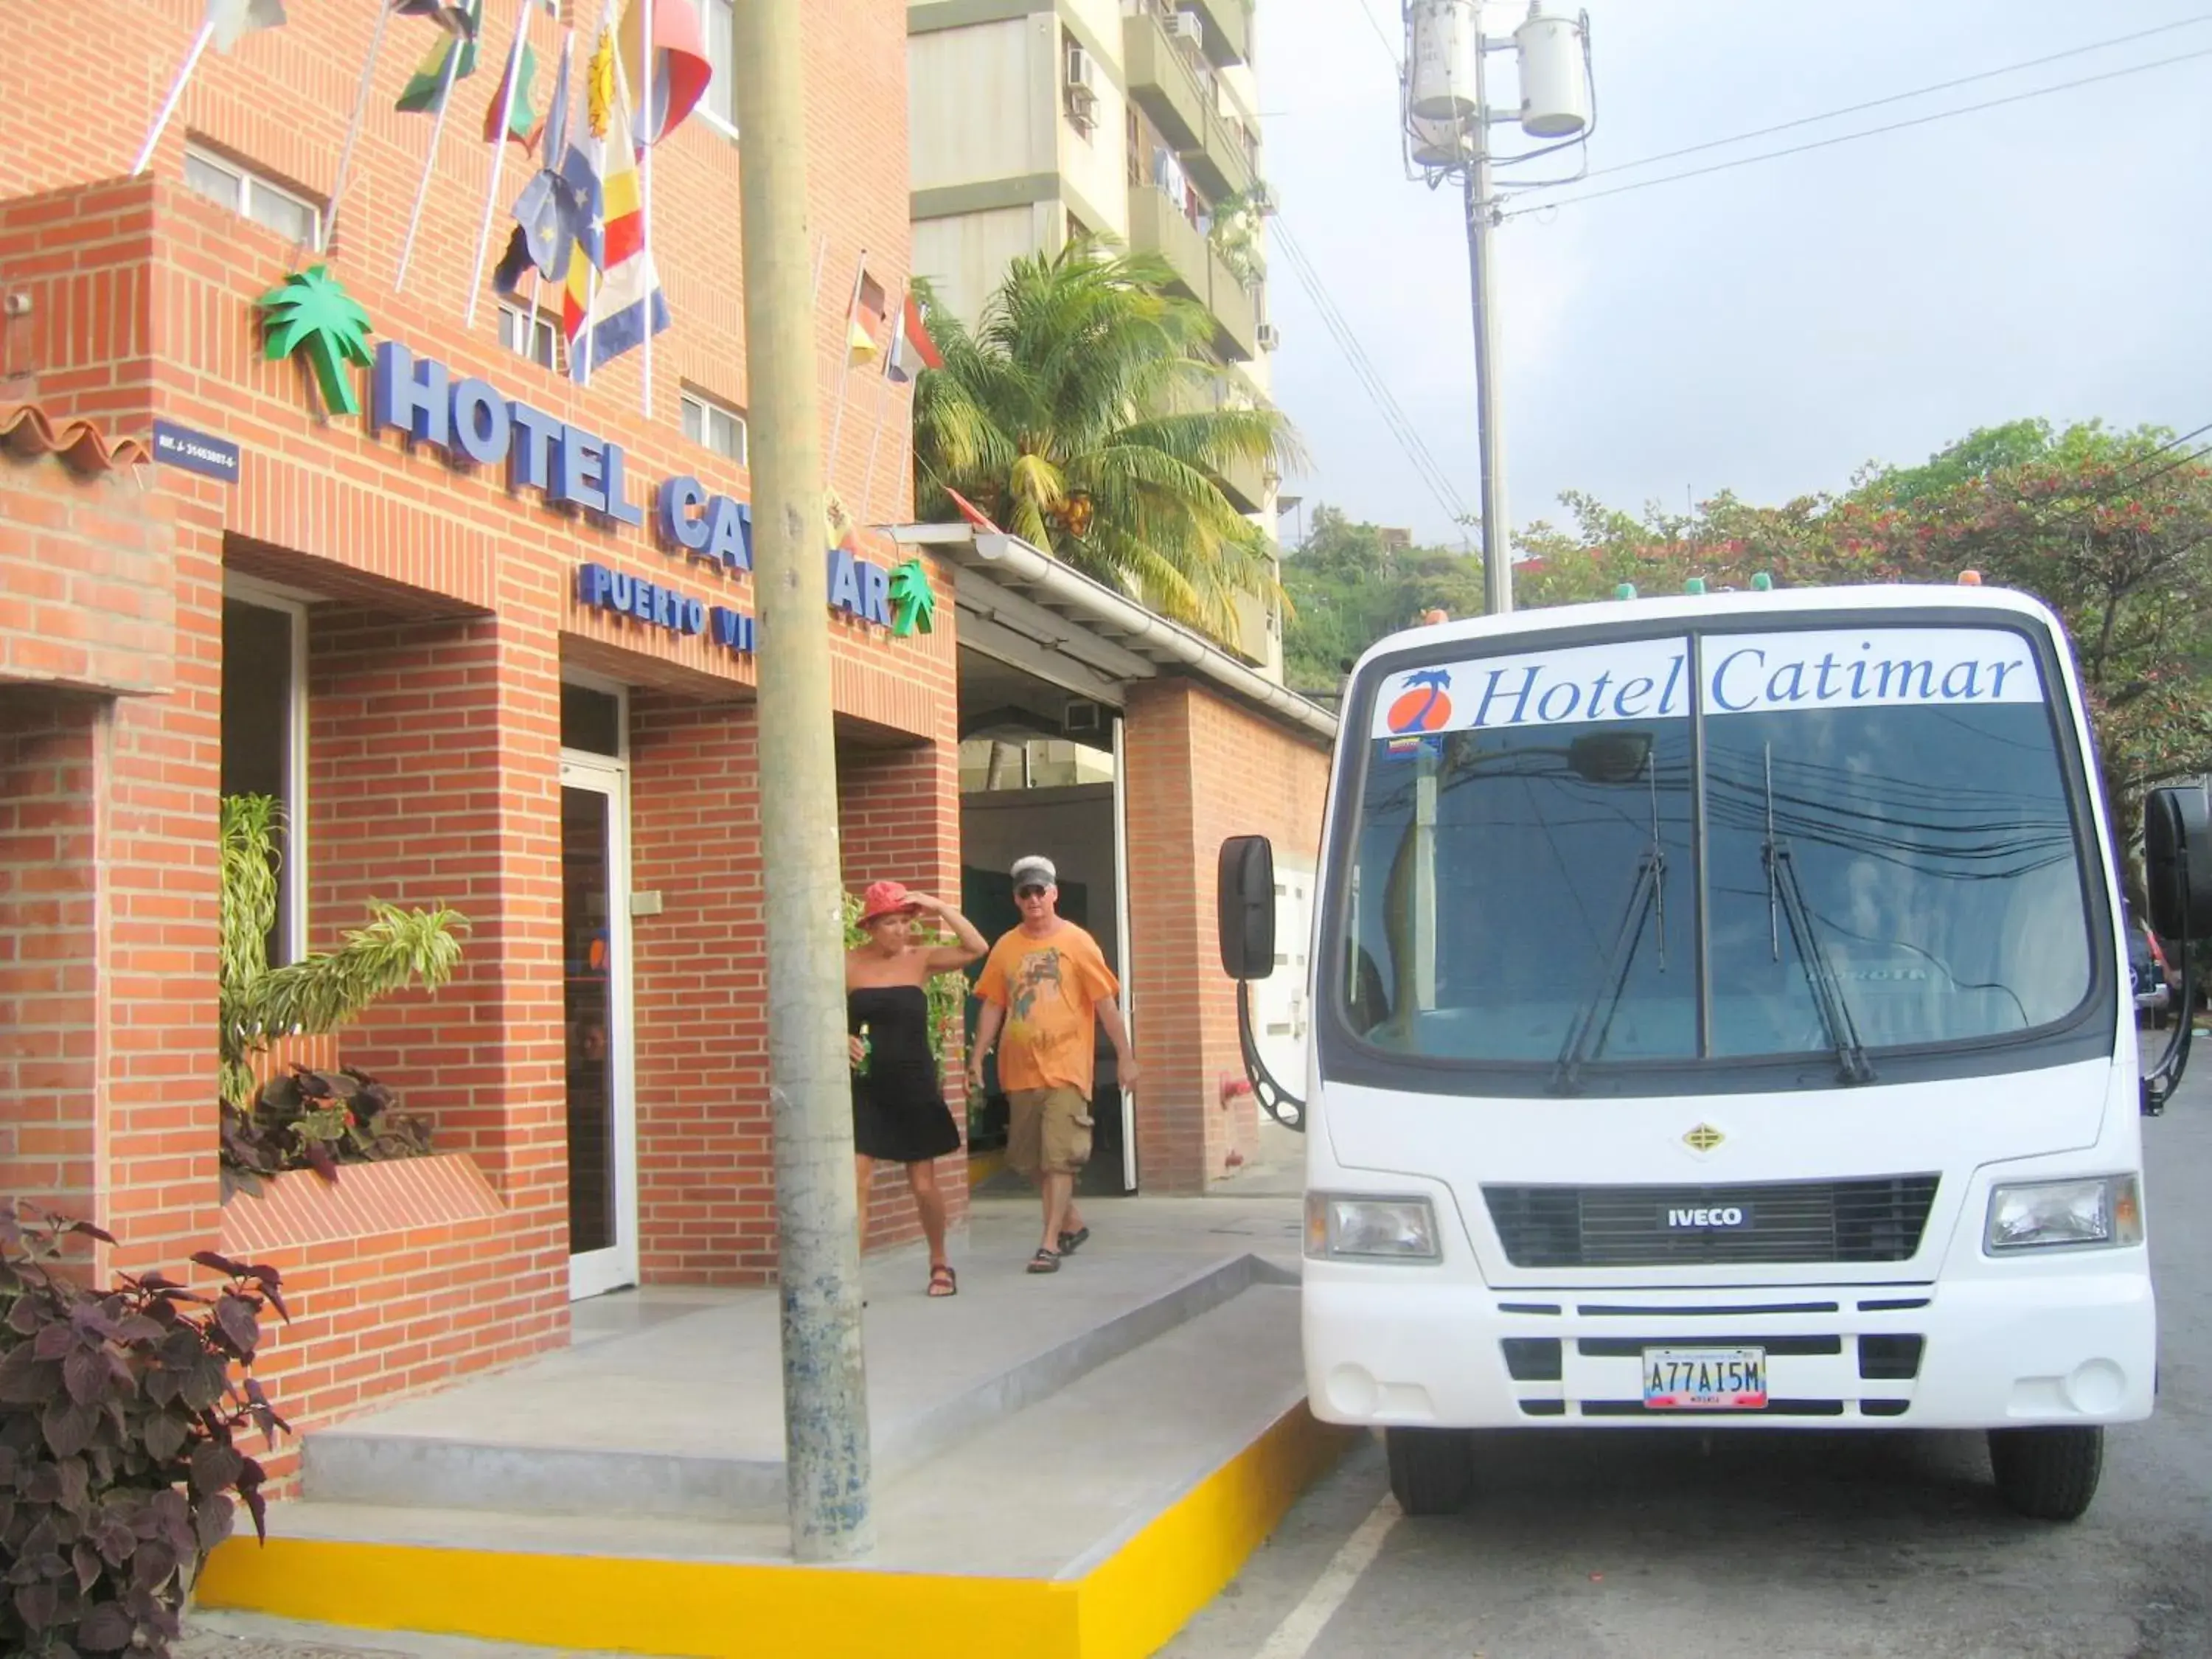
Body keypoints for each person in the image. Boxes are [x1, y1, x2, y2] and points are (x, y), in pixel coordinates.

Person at [967, 855, 1141, 1275]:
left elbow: (1105, 1004)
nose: (1033, 899)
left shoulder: (1078, 943)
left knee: (1059, 1158)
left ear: (1054, 893)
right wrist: (977, 1057)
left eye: (1040, 891)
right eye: (1025, 892)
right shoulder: (1007, 946)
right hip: (1019, 1069)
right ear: (1016, 898)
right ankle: (1072, 1222)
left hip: (1066, 1068)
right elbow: (993, 1004)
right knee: (1028, 1161)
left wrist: (1126, 1057)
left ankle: (1049, 1244)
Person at [847, 880, 990, 1298]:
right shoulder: (846, 963)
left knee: (923, 1183)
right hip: (866, 1083)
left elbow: (977, 947)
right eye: (889, 922)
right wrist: (841, 1037)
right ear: (871, 926)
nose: (899, 930)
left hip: (912, 1080)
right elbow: (819, 1013)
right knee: (857, 1179)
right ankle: (850, 1279)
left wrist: (937, 905)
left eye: (904, 921)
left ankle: (940, 1260)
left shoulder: (922, 959)